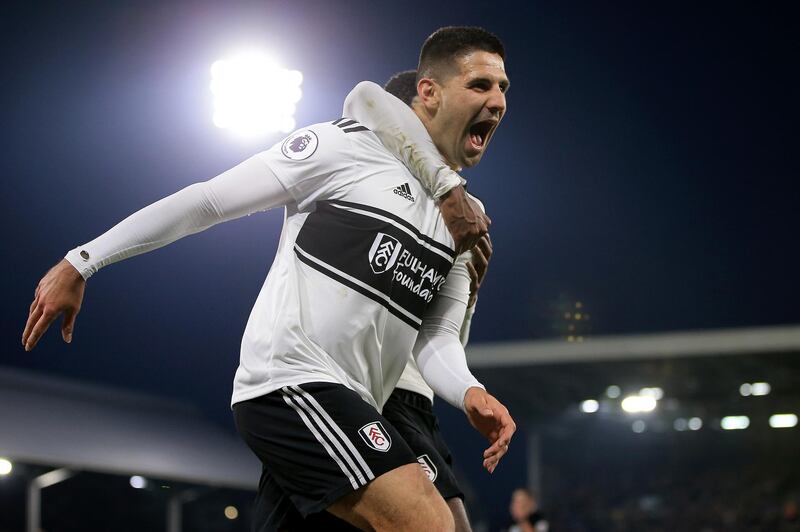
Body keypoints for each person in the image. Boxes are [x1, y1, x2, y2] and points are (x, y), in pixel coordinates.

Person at [23, 26, 514, 531]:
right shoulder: (344, 147)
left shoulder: (465, 223)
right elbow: (208, 201)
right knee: (431, 526)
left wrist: (470, 391)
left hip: (360, 401)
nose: (497, 101)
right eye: (480, 86)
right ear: (428, 93)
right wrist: (82, 260)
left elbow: (433, 338)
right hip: (292, 382)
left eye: (503, 89)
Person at [350, 70, 492, 532]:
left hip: (414, 399)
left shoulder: (461, 213)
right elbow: (365, 97)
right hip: (364, 393)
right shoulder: (359, 178)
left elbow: (442, 338)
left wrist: (468, 297)